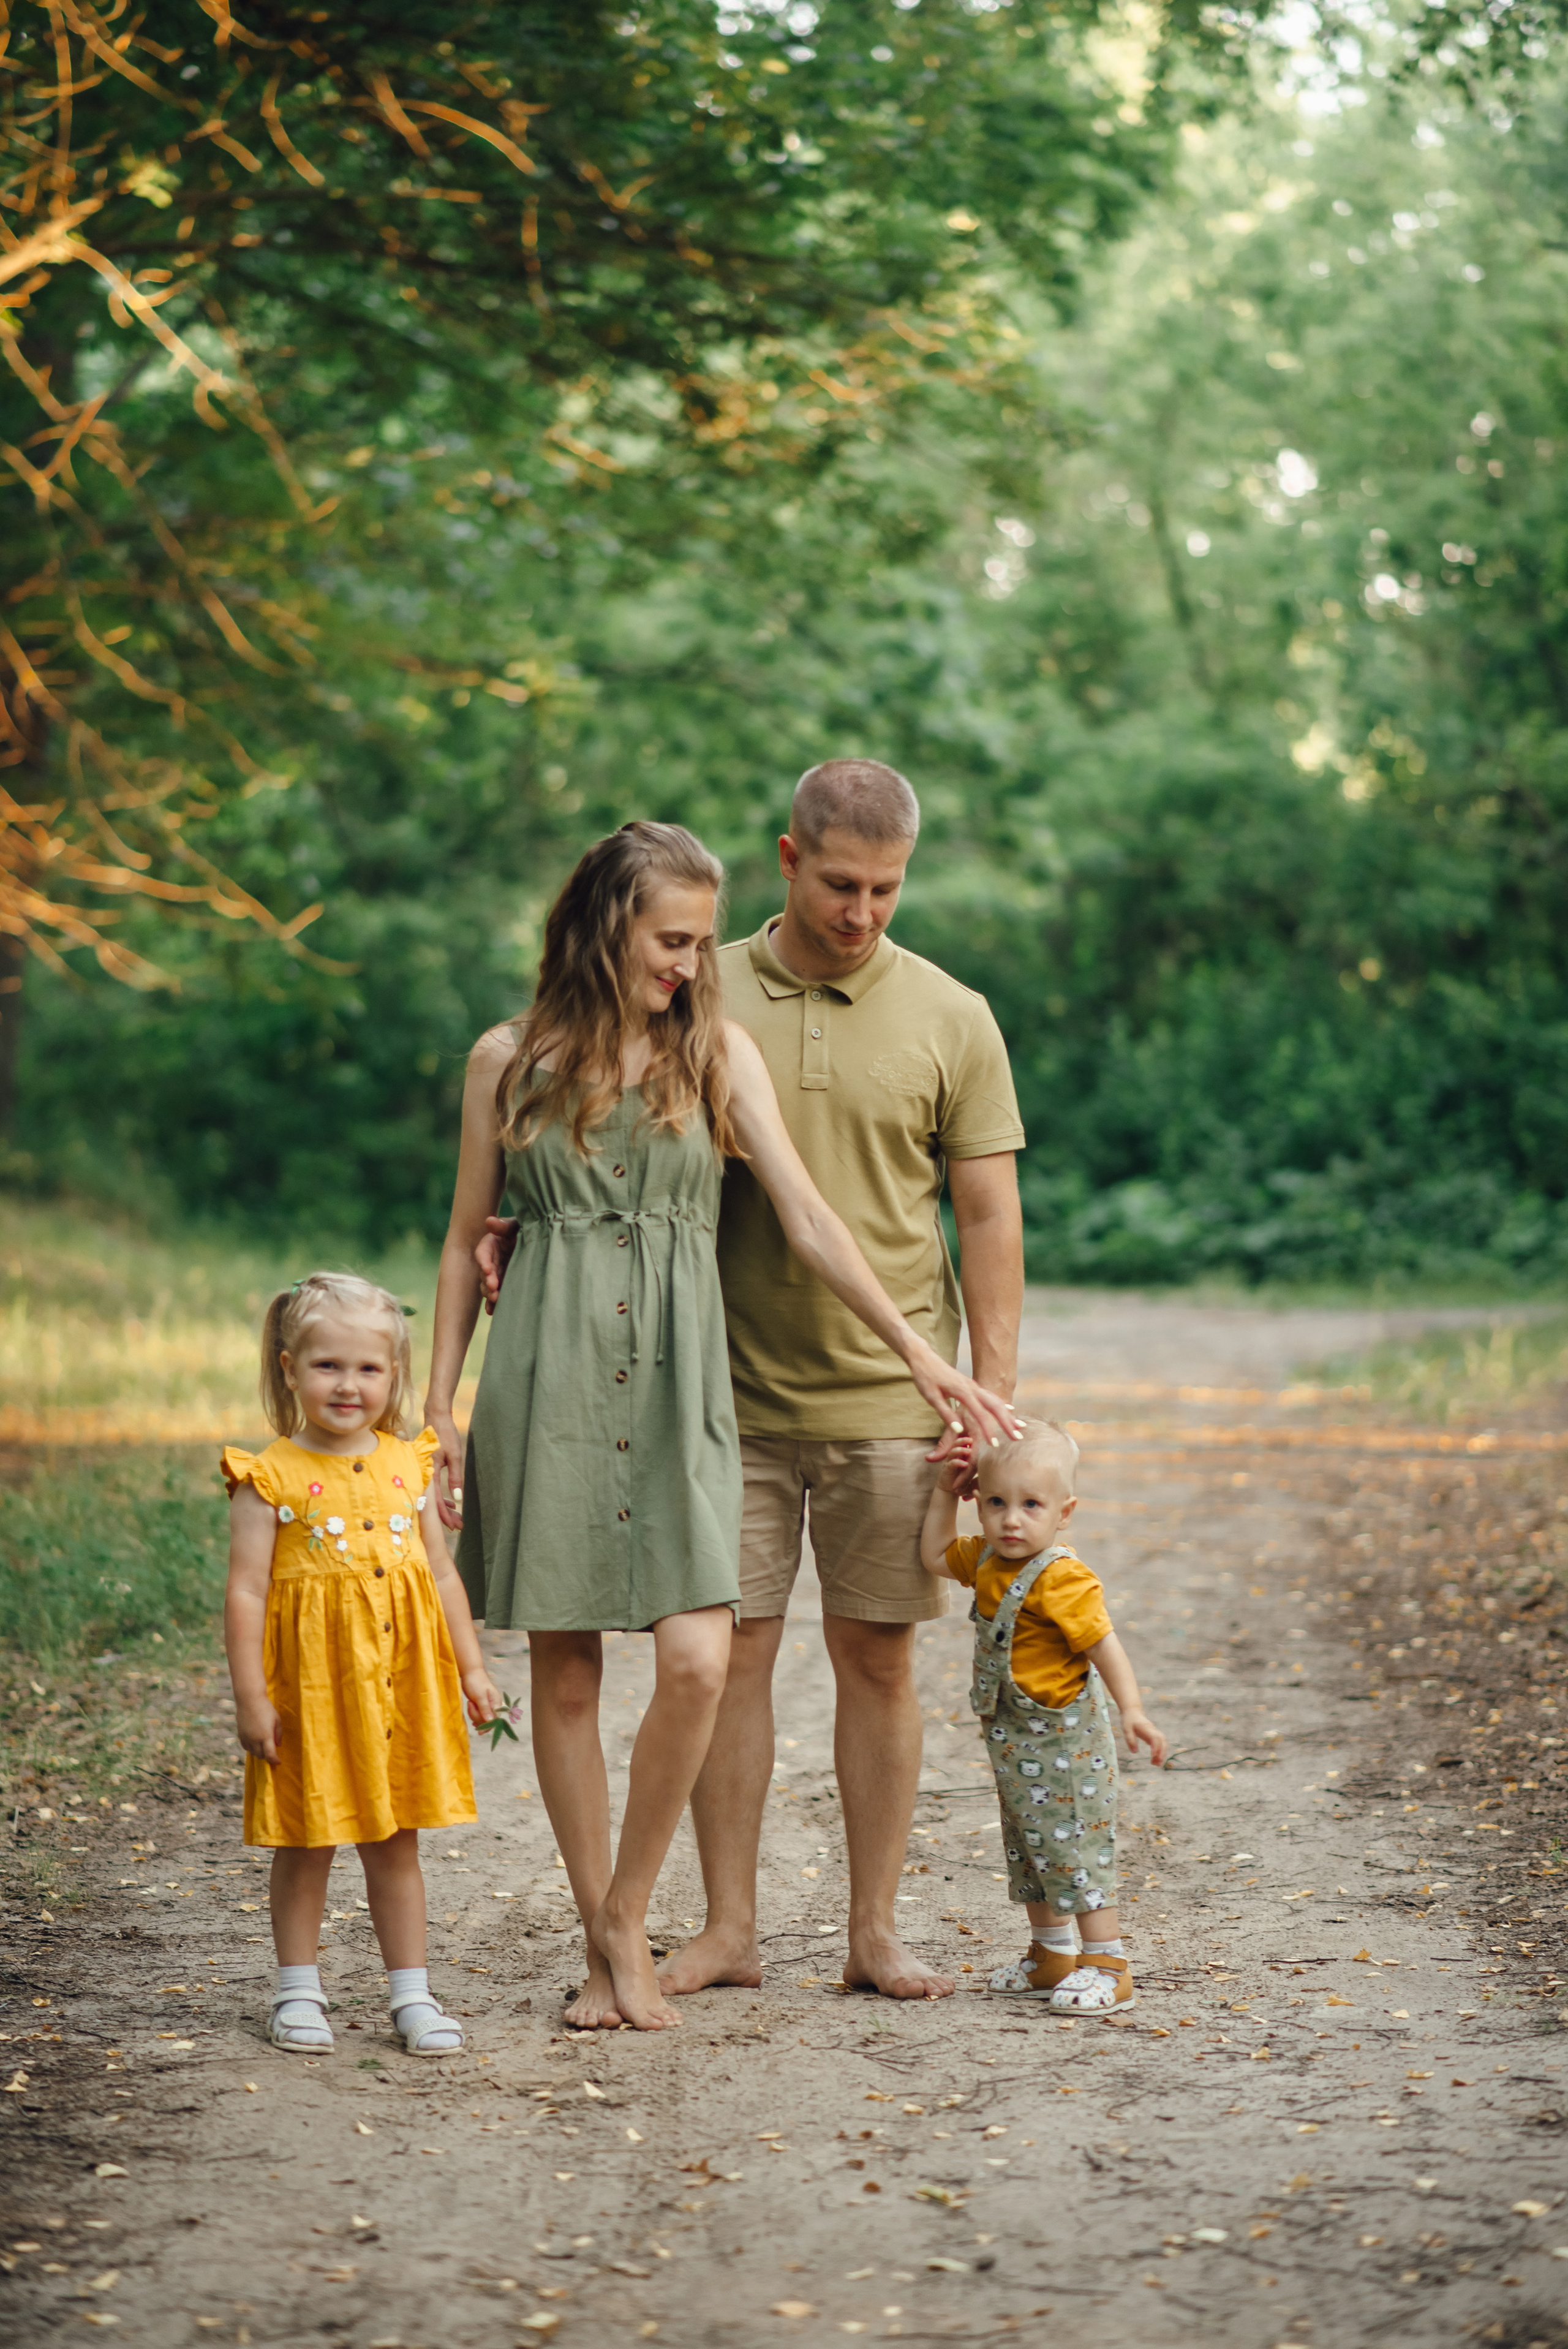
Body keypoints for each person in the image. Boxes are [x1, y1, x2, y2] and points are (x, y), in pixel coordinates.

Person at [426, 821, 1017, 2032]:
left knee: (698, 1659)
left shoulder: (713, 1050)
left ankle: (624, 1912)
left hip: (681, 1384)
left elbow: (808, 1216)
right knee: (567, 1671)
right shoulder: (505, 1060)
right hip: (545, 1377)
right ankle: (612, 1943)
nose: (691, 964)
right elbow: (459, 1239)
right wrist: (437, 1407)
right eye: (671, 940)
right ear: (606, 926)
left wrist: (922, 1353)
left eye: (700, 942)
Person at [221, 1271, 501, 2057]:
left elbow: (441, 1576)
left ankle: (411, 1995)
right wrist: (250, 1697)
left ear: (394, 1374)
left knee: (395, 1841)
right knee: (306, 1839)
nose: (349, 1386)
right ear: (289, 1369)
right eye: (328, 1366)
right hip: (311, 1693)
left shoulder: (409, 1465)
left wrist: (472, 1669)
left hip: (398, 1690)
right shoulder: (267, 1479)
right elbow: (246, 1593)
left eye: (368, 1368)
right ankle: (296, 1992)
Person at [921, 1418, 1167, 2013]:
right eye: (997, 1502)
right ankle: (1052, 1954)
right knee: (1030, 1847)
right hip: (1014, 1743)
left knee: (1074, 1848)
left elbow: (1103, 1644)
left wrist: (1131, 1708)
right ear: (978, 1502)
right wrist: (943, 1494)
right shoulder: (983, 1559)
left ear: (1064, 1512)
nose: (1012, 1520)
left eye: (1031, 1505)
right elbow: (932, 1556)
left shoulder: (1062, 1578)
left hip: (1064, 1747)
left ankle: (1108, 1965)